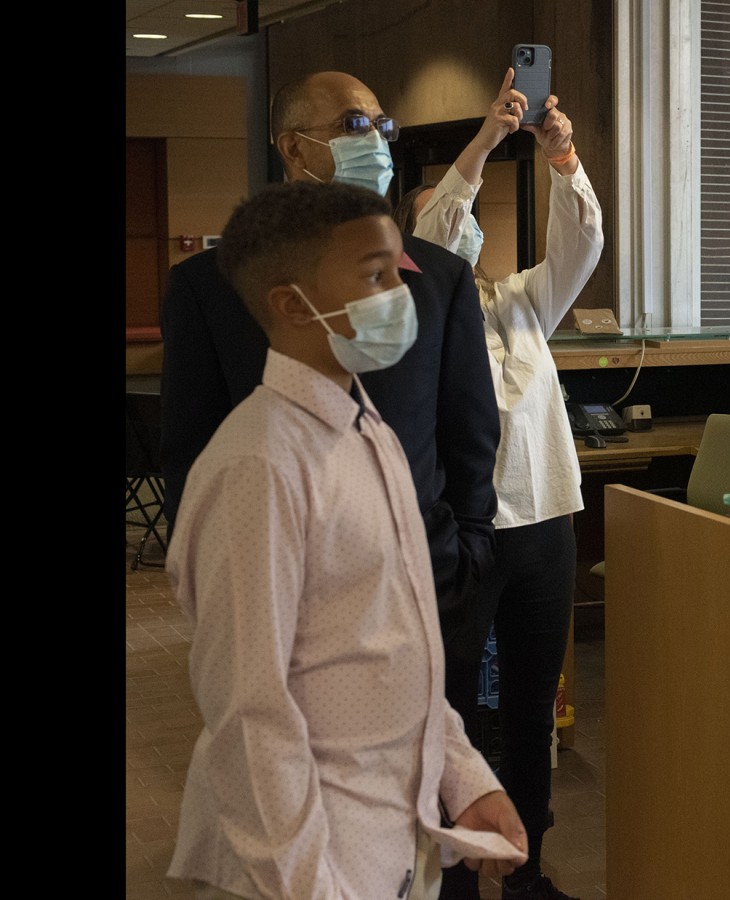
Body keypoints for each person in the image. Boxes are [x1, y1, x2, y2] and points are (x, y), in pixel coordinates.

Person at [165, 180, 528, 899]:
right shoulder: (259, 467)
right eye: (374, 273)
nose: (402, 290)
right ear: (293, 304)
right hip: (306, 859)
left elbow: (398, 649)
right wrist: (306, 884)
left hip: (390, 834)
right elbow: (248, 716)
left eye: (398, 267)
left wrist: (464, 777)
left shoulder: (368, 429)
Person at [158, 71, 501, 770]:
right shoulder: (215, 285)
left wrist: (466, 554)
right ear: (293, 147)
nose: (374, 139)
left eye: (381, 126)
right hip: (283, 594)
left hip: (426, 580)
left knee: (441, 778)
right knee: (297, 766)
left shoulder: (437, 278)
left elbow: (470, 436)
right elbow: (191, 451)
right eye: (352, 125)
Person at [394, 70, 603, 900]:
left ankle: (529, 869)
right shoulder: (418, 317)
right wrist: (483, 142)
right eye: (458, 216)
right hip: (465, 530)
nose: (471, 234)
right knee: (453, 708)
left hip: (548, 523)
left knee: (529, 709)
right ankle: (446, 869)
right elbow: (441, 235)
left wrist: (563, 160)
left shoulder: (523, 303)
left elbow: (582, 245)